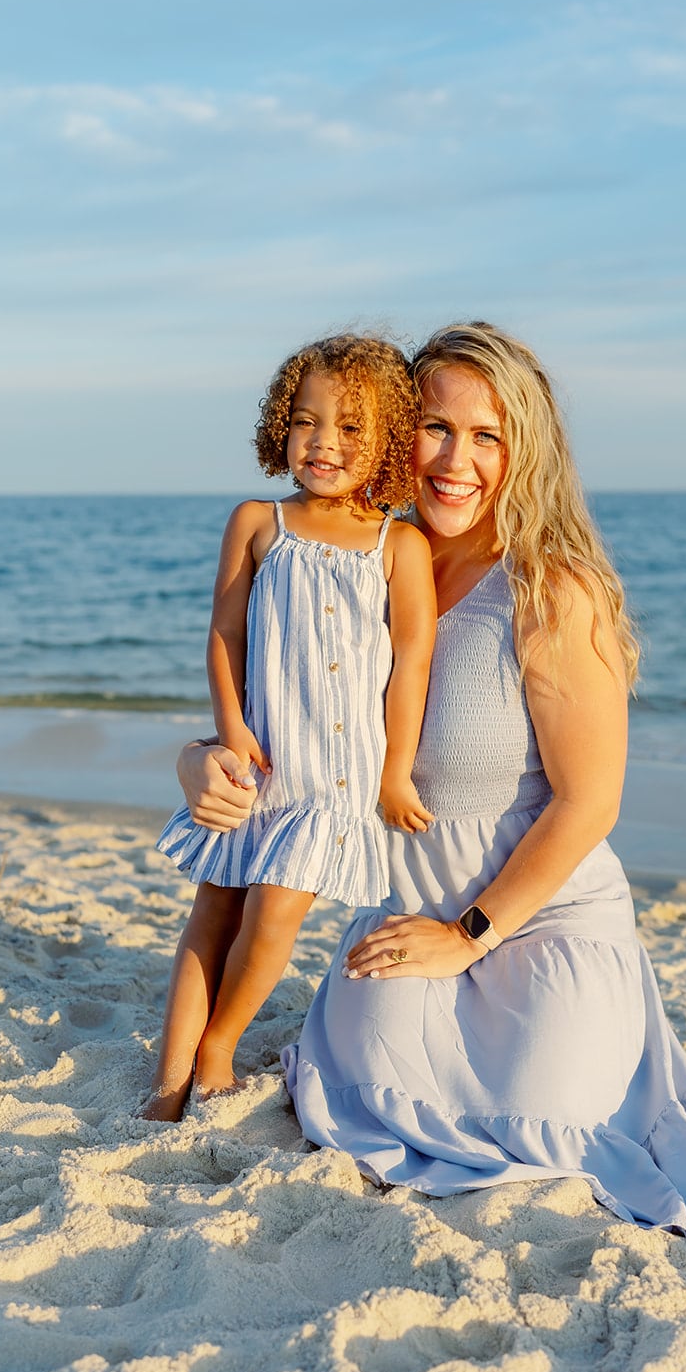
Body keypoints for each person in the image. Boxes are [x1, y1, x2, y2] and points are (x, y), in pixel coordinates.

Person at [175, 322, 686, 1240]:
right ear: (391, 432)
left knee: (552, 1118)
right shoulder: (371, 556)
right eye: (434, 427)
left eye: (488, 436)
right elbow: (290, 713)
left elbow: (589, 803)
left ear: (522, 452)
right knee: (368, 1088)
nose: (456, 460)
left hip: (535, 917)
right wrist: (199, 759)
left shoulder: (549, 589)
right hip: (404, 911)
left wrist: (468, 937)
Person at [140, 334, 436, 1121]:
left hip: (336, 778)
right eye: (306, 422)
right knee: (214, 908)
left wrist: (394, 771)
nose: (324, 443)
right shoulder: (257, 521)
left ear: (384, 444)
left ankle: (218, 1047)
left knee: (275, 915)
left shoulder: (396, 545)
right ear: (281, 425)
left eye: (349, 429)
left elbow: (411, 665)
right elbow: (223, 634)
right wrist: (228, 731)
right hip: (261, 763)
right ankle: (169, 1082)